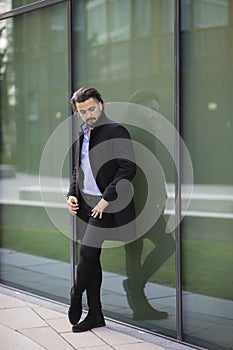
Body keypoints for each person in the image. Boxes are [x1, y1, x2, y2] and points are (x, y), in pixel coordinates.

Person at [66, 87, 136, 332]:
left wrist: (107, 199)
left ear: (101, 105)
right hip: (84, 205)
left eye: (91, 109)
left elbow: (128, 168)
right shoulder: (82, 134)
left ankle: (75, 294)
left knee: (86, 254)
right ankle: (95, 314)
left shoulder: (117, 131)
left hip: (106, 206)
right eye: (82, 111)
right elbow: (77, 171)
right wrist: (71, 195)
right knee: (91, 259)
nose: (88, 115)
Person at [123, 89, 175, 320]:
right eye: (152, 110)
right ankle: (136, 289)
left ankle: (139, 305)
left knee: (134, 253)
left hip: (133, 205)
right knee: (166, 245)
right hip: (138, 206)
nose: (156, 115)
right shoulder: (136, 134)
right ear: (139, 110)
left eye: (157, 111)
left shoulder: (137, 132)